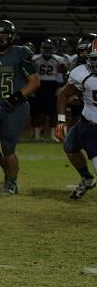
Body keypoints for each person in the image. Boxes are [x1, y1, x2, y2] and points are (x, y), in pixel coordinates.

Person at [0, 20, 41, 195]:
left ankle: (11, 183)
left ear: (12, 36)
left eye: (5, 35)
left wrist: (15, 98)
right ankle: (9, 168)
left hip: (16, 107)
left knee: (8, 147)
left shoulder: (21, 53)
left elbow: (35, 81)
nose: (2, 38)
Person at [55, 41, 97, 199]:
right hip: (87, 122)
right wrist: (61, 120)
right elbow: (64, 94)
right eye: (94, 59)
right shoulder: (81, 72)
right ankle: (87, 178)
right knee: (70, 147)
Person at [32, 39, 66, 141]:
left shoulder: (58, 60)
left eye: (49, 48)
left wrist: (60, 87)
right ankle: (37, 135)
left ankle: (53, 135)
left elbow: (60, 74)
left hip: (52, 85)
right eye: (45, 48)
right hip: (39, 85)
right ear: (41, 48)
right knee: (38, 111)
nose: (47, 50)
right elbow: (31, 74)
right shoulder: (35, 59)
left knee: (53, 112)